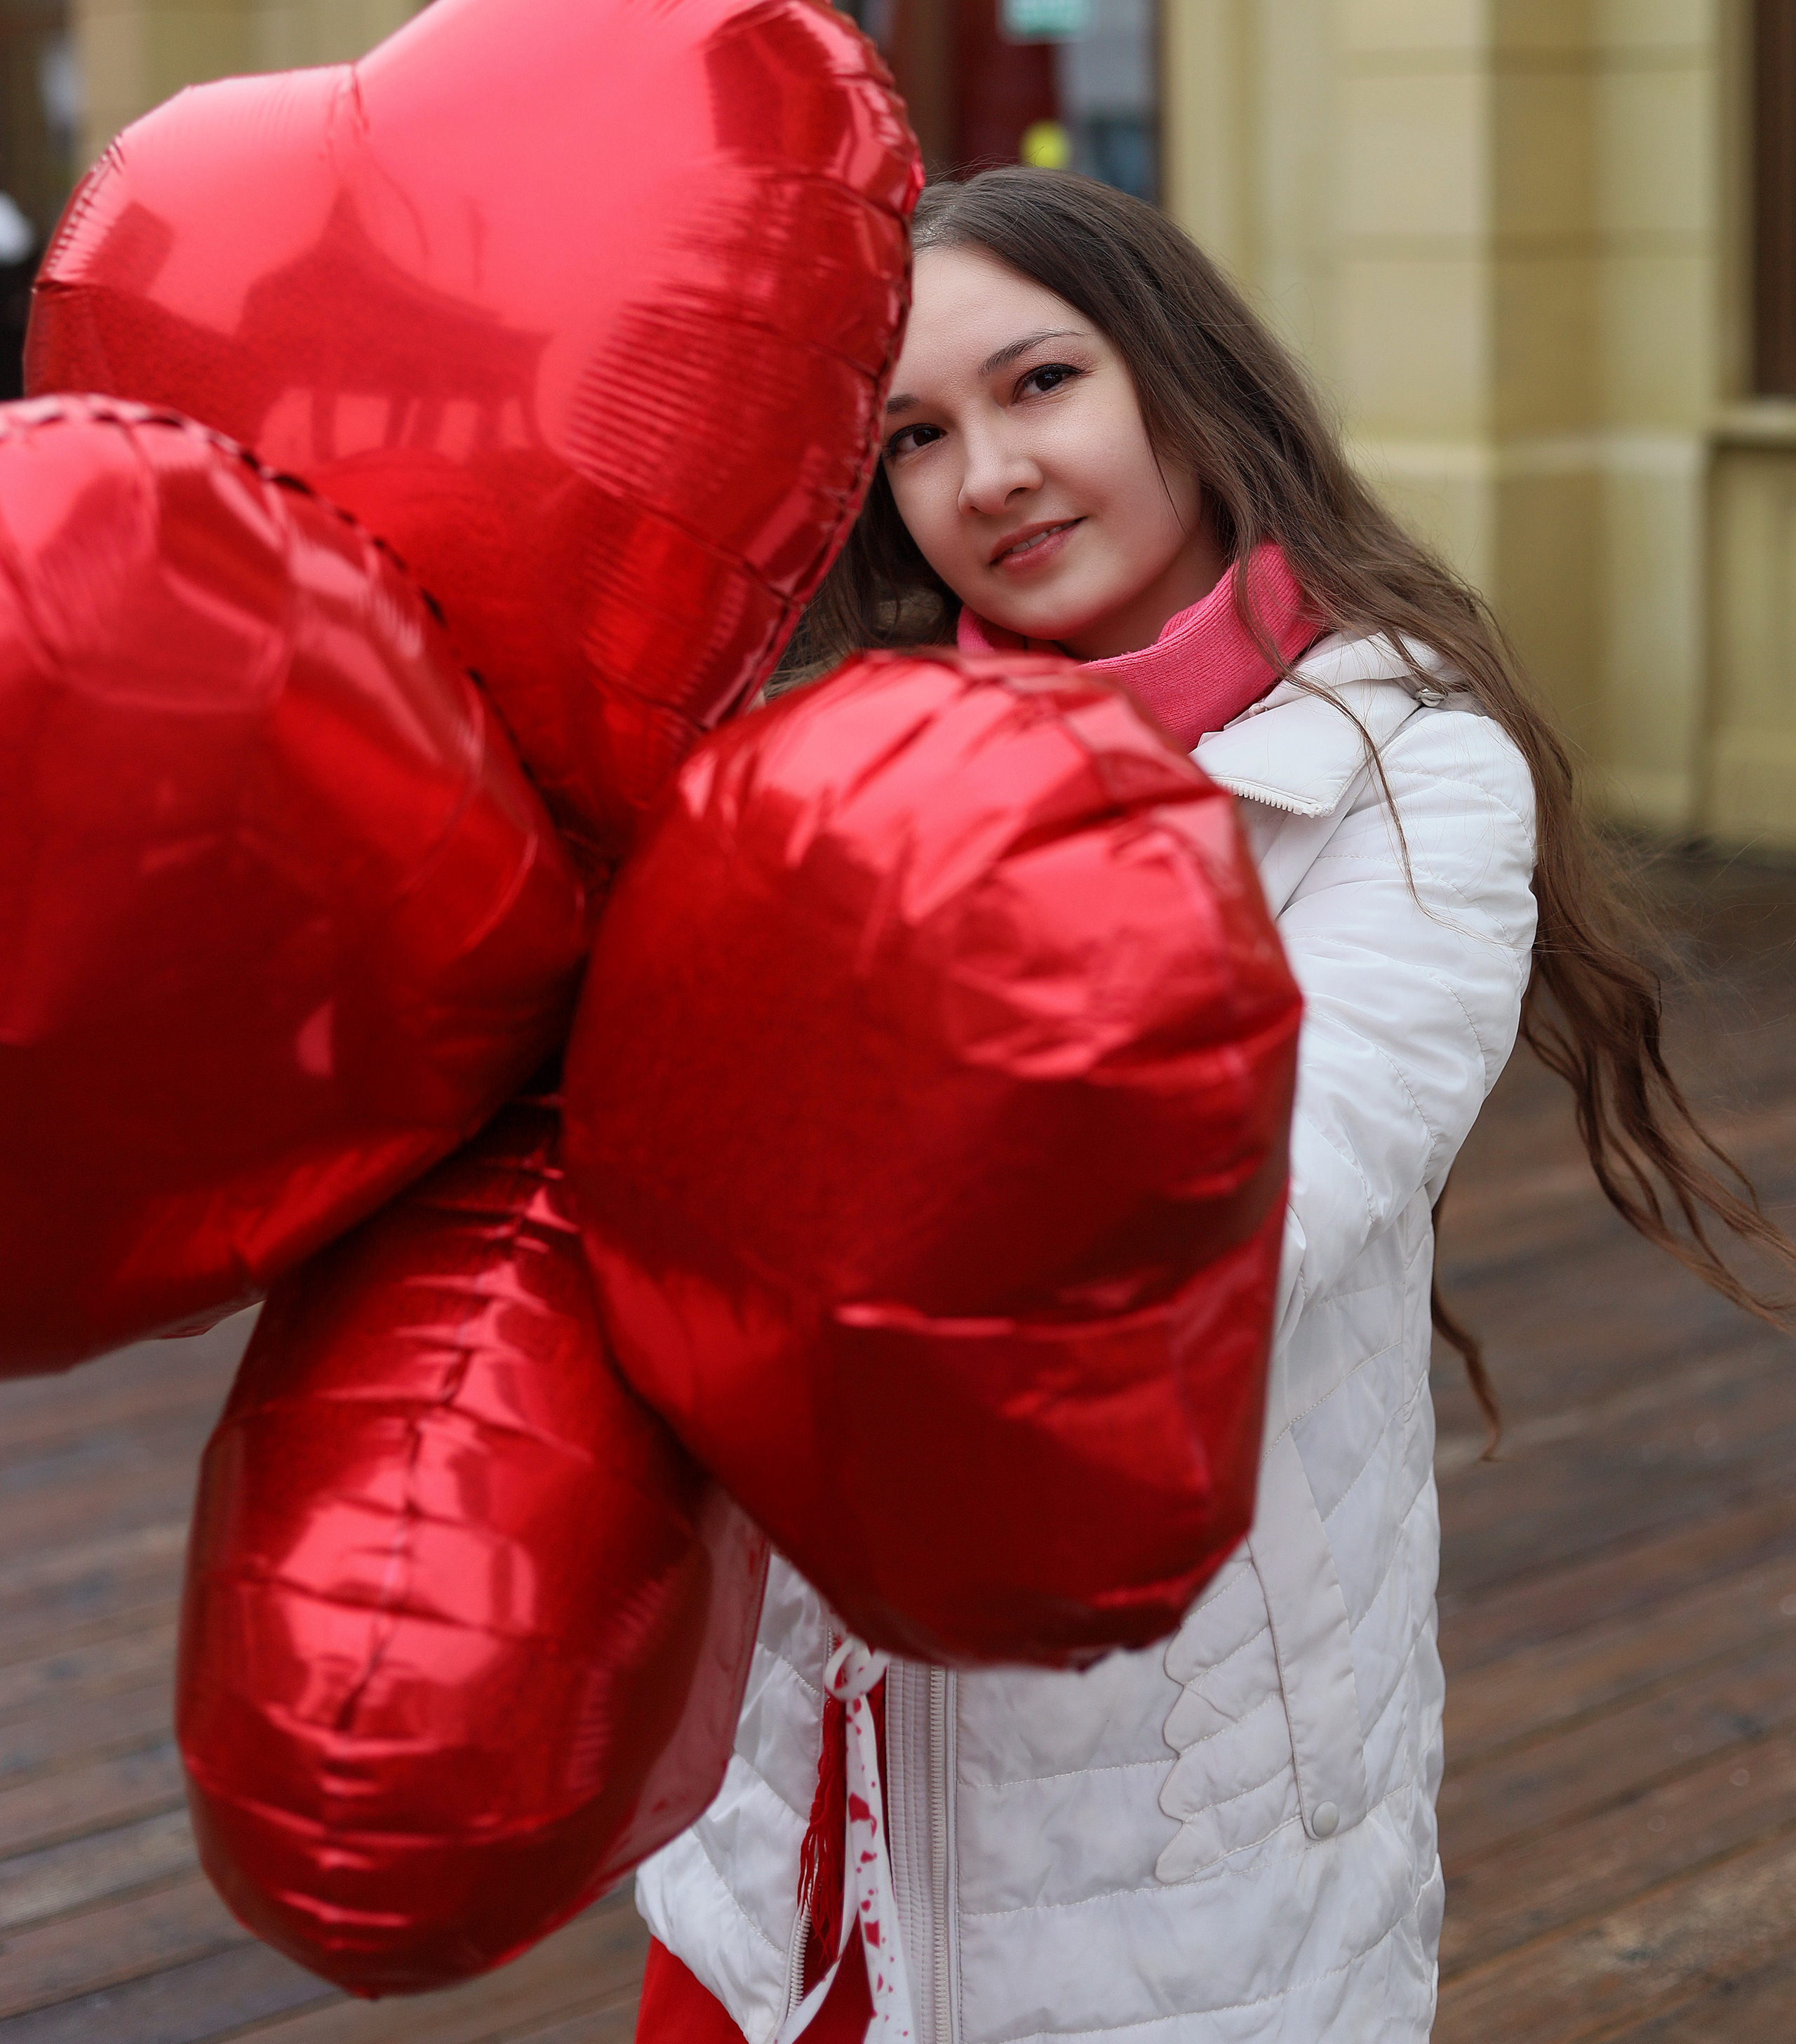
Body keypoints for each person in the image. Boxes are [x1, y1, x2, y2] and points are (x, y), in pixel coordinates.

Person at [633, 168, 1793, 2044]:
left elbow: (1271, 1202)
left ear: (1181, 377)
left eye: (1040, 384)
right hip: (808, 1806)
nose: (988, 471)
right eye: (917, 436)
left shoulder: (1403, 777)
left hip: (1167, 1815)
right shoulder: (834, 758)